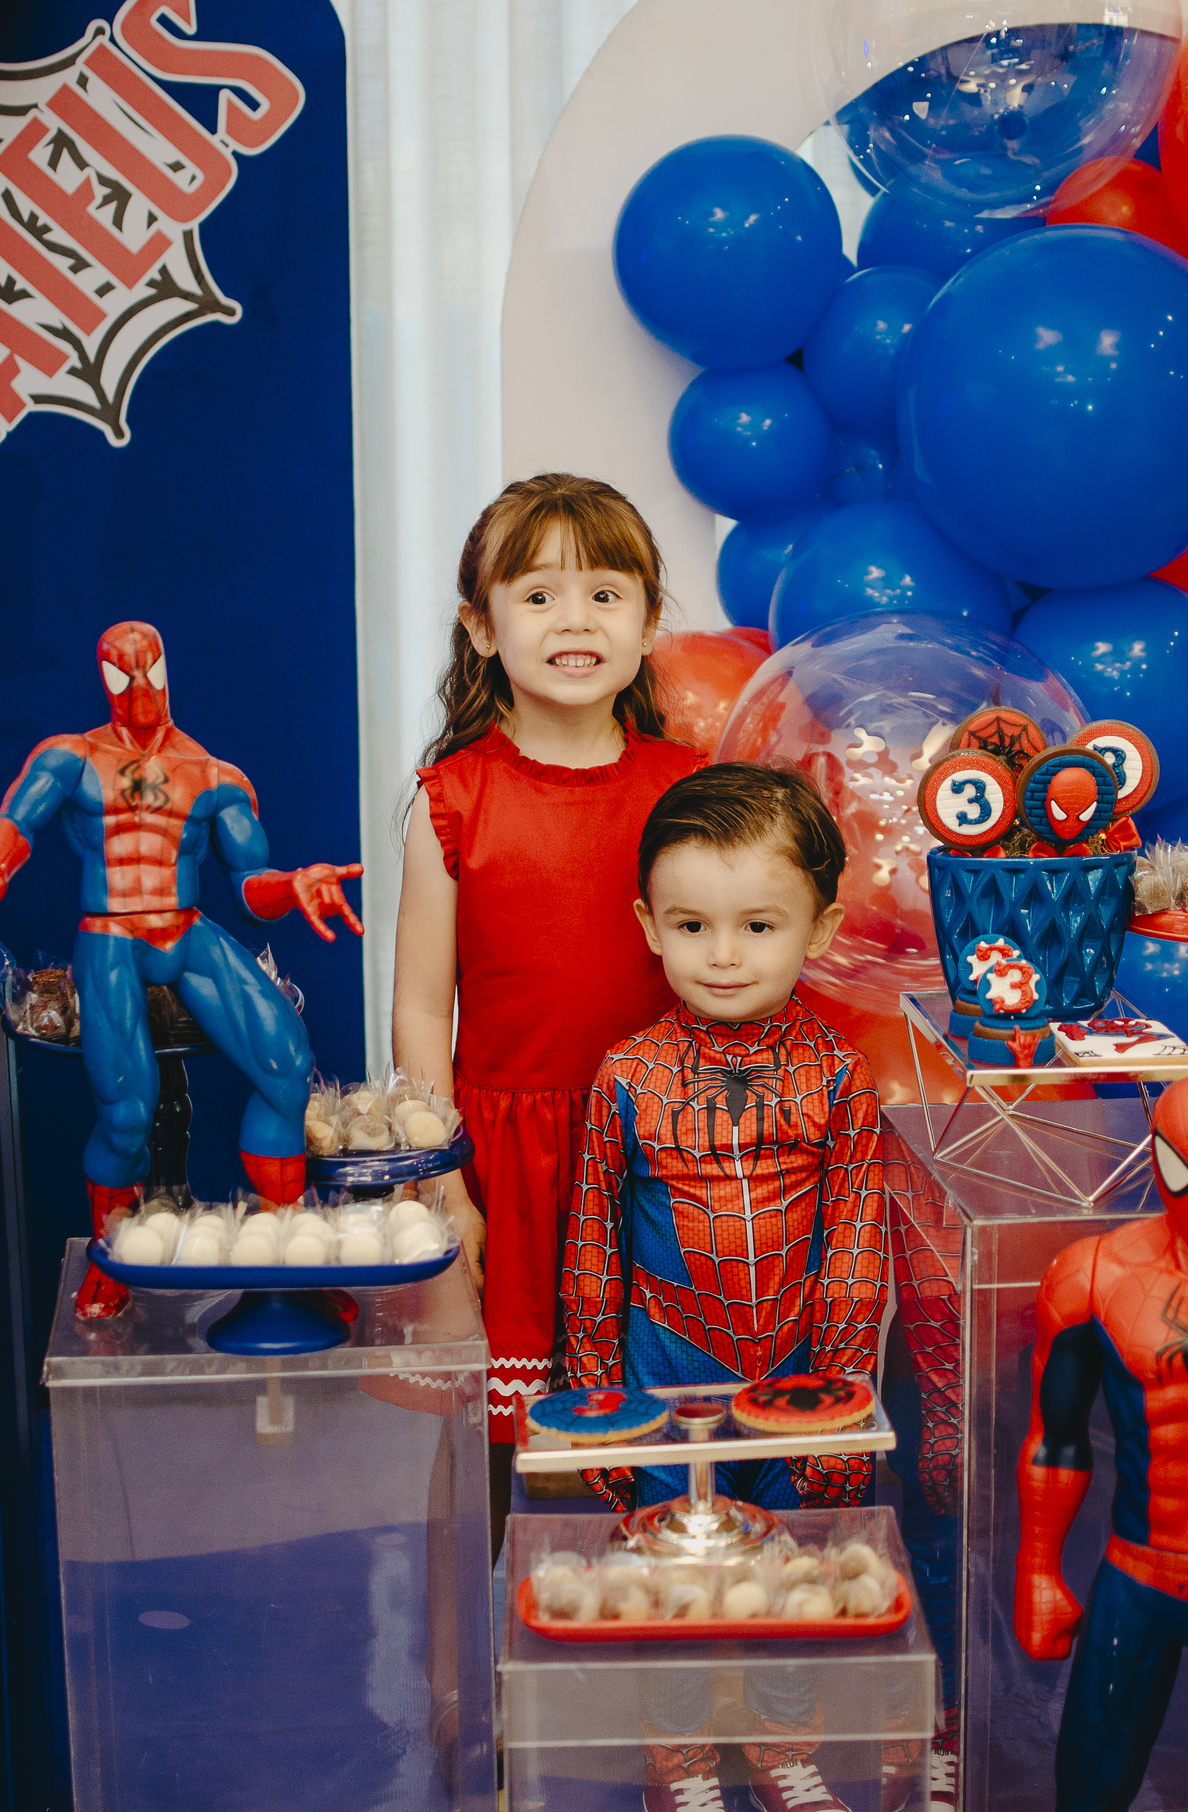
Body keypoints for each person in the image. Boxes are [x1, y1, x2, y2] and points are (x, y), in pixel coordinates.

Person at [561, 762, 888, 1812]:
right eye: (692, 925)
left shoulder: (838, 1075)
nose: (724, 954)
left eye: (758, 925)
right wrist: (598, 1407)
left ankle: (786, 1750)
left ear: (821, 929)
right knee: (670, 1578)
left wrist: (840, 1400)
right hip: (664, 1365)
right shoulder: (627, 1074)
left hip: (799, 1366)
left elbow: (854, 1246)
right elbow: (592, 1249)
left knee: (791, 1572)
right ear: (649, 926)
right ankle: (683, 1766)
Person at [391, 472, 704, 1503]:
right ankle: (464, 1665)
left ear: (650, 621)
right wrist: (444, 1180)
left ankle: (628, 1636)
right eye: (538, 595)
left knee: (646, 1437)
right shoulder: (452, 800)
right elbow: (423, 1009)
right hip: (502, 1165)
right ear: (480, 629)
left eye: (606, 593)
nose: (576, 620)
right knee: (483, 1456)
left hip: (656, 1160)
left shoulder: (690, 792)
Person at [0, 620, 362, 1320]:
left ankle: (285, 1256)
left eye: (149, 669)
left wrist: (291, 886)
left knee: (287, 1066)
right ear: (102, 674)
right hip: (110, 935)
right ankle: (114, 1257)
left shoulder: (215, 776)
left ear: (168, 670)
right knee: (128, 1116)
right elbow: (16, 822)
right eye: (120, 672)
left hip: (187, 928)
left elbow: (251, 888)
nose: (138, 686)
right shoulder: (70, 759)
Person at [1015, 1073, 1188, 1812]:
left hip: (1138, 1576)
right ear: (1166, 1163)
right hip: (1141, 1572)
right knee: (1090, 1786)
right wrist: (1036, 1571)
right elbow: (1055, 1441)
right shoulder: (1093, 1275)